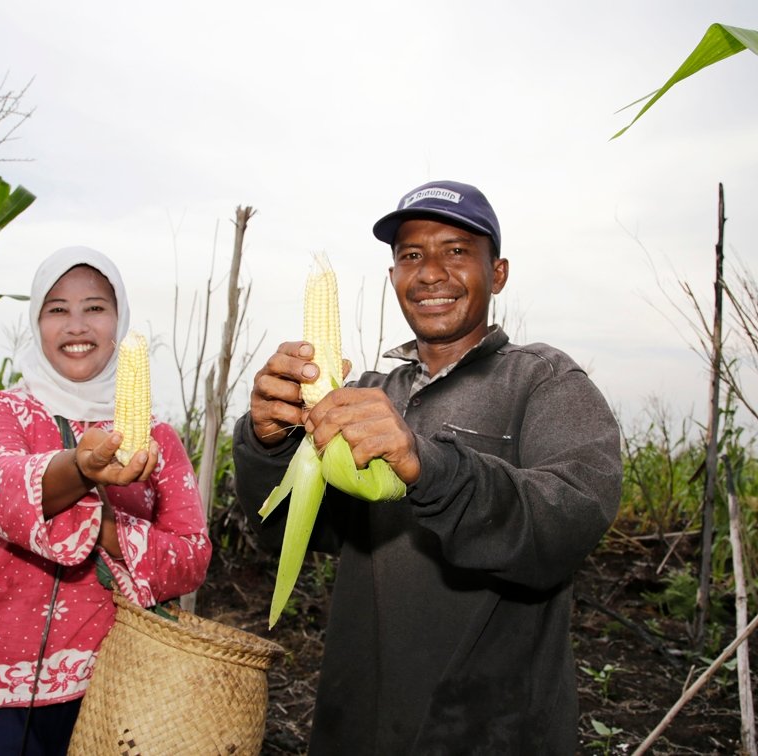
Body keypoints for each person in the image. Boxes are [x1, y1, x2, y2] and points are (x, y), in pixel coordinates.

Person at [233, 180, 623, 754]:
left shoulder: (543, 380)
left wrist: (428, 464)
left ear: (499, 273)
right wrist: (267, 442)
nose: (431, 273)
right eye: (411, 255)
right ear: (393, 276)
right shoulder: (365, 395)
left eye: (457, 251)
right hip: (358, 722)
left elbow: (568, 520)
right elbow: (284, 530)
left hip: (490, 731)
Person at [0, 246, 211, 755]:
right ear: (37, 323)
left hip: (118, 690)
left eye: (95, 307)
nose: (77, 325)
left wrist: (108, 530)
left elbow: (191, 557)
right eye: (57, 309)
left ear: (119, 319)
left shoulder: (158, 439)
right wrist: (80, 468)